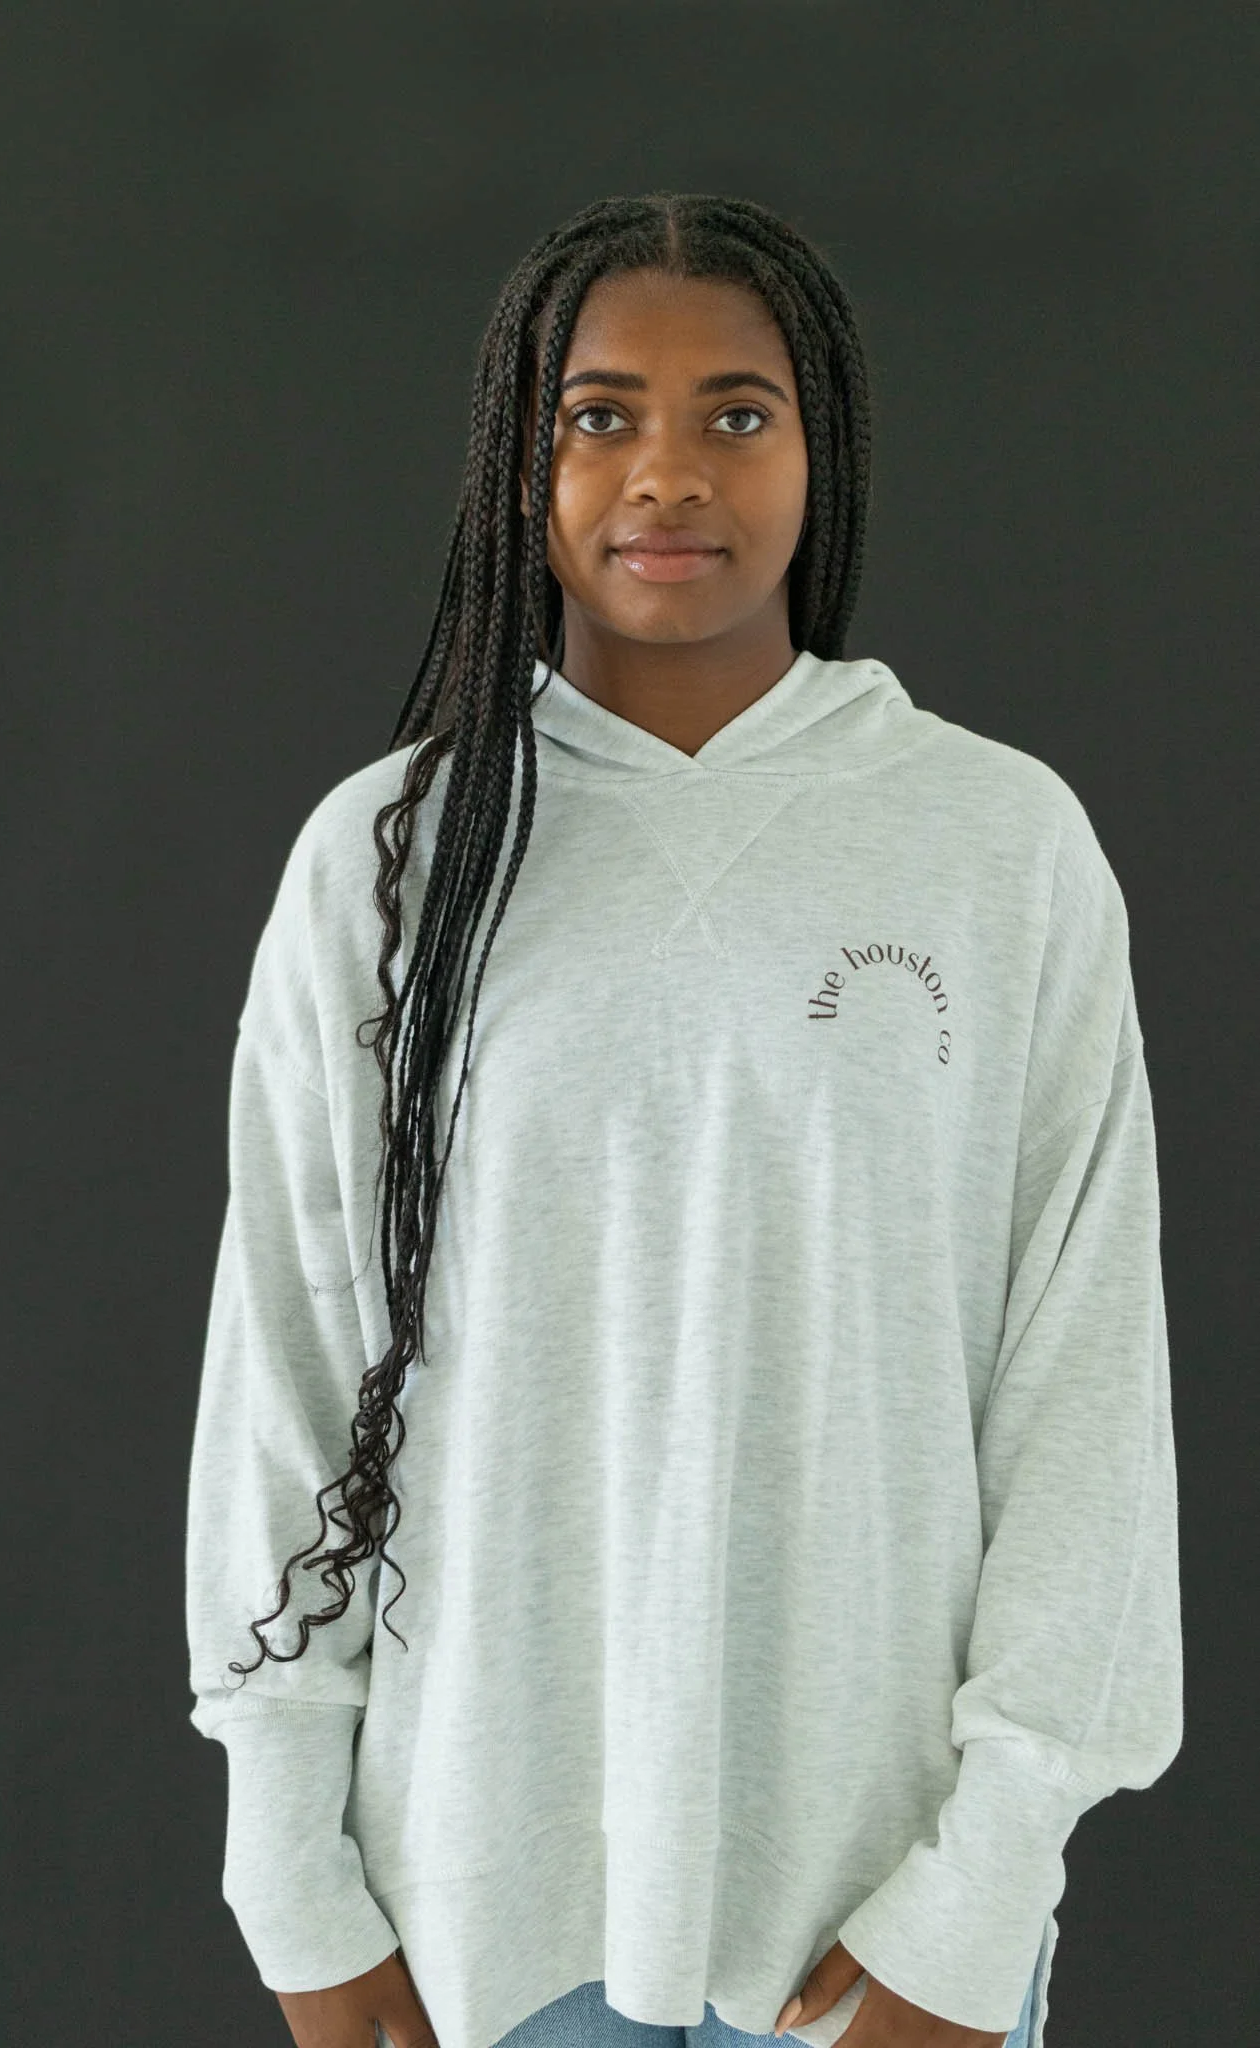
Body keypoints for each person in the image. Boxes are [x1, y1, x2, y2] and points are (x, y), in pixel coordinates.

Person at [184, 192, 1183, 2048]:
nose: (668, 472)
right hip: (471, 1907)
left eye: (737, 411)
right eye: (598, 415)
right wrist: (286, 1873)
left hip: (882, 1908)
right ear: (521, 460)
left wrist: (991, 1879)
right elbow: (290, 1371)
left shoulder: (998, 845)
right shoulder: (391, 863)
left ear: (824, 448)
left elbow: (1084, 1384)